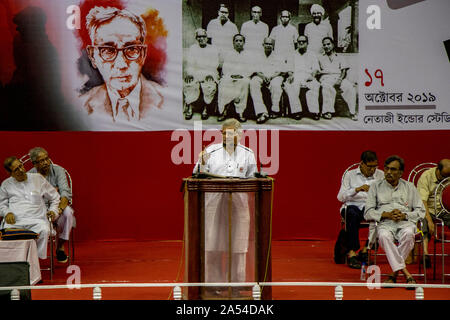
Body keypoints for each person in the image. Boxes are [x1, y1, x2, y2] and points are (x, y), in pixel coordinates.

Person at [193, 118, 257, 297]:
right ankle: (212, 285)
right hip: (213, 204)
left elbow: (254, 180)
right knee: (211, 245)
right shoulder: (210, 152)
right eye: (224, 133)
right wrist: (202, 162)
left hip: (239, 205)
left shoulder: (248, 153)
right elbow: (196, 175)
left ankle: (236, 286)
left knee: (238, 247)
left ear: (239, 135)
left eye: (231, 133)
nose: (226, 136)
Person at [81, 6, 163, 124]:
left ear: (143, 54)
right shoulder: (81, 105)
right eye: (108, 50)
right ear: (93, 56)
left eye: (132, 49)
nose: (121, 64)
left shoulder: (165, 100)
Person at [364, 155, 425, 288]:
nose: (389, 172)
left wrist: (404, 215)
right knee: (384, 236)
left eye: (393, 170)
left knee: (409, 234)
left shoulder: (409, 187)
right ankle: (406, 274)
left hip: (405, 223)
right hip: (385, 223)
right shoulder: (376, 186)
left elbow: (421, 211)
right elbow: (367, 212)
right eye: (386, 169)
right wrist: (385, 214)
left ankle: (393, 274)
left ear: (401, 172)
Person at [0, 156, 60, 260]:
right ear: (10, 173)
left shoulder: (38, 178)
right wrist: (6, 213)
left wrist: (53, 210)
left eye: (21, 166)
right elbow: (1, 204)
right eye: (16, 169)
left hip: (37, 220)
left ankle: (34, 261)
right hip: (15, 222)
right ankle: (16, 262)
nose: (22, 170)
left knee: (44, 230)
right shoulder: (6, 184)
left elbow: (55, 197)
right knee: (5, 235)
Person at [337, 151, 384, 268]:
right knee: (351, 214)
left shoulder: (381, 175)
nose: (373, 170)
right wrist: (357, 189)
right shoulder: (350, 175)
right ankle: (352, 252)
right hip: (352, 205)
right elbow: (340, 197)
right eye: (370, 166)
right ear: (362, 164)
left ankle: (365, 250)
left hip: (370, 206)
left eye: (375, 166)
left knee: (380, 216)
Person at [28, 147, 74, 263]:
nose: (45, 163)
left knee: (68, 213)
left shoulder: (58, 171)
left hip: (57, 205)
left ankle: (60, 247)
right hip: (38, 208)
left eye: (46, 159)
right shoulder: (29, 175)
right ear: (34, 163)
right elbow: (30, 197)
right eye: (41, 161)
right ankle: (33, 255)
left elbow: (65, 192)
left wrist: (59, 209)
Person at [416, 159, 450, 267]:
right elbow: (422, 201)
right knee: (424, 223)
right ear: (437, 169)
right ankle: (425, 254)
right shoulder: (426, 176)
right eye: (443, 176)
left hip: (444, 209)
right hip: (428, 208)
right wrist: (430, 220)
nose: (445, 179)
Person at [249, 37, 288, 123]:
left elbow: (282, 71)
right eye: (266, 43)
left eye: (270, 44)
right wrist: (262, 76)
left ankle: (275, 110)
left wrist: (272, 77)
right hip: (261, 76)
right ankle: (261, 111)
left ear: (273, 46)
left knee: (276, 84)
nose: (268, 45)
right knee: (253, 82)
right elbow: (254, 70)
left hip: (275, 76)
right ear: (263, 45)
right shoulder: (257, 55)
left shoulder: (278, 56)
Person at [183, 28, 220, 120]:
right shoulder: (193, 48)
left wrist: (210, 73)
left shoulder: (213, 48)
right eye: (199, 37)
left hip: (210, 72)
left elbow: (215, 63)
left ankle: (206, 108)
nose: (201, 39)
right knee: (189, 83)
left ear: (207, 38)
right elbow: (190, 63)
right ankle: (190, 107)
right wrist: (190, 73)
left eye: (203, 36)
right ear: (196, 38)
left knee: (209, 85)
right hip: (196, 72)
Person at [318, 37, 357, 121]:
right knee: (327, 87)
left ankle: (353, 112)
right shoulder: (320, 57)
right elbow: (317, 70)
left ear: (332, 45)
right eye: (324, 45)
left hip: (338, 77)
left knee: (350, 87)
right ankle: (327, 112)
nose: (326, 46)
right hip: (326, 77)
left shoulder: (339, 56)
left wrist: (340, 79)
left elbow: (344, 70)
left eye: (328, 44)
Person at [284, 35, 321, 120]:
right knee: (291, 86)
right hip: (296, 75)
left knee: (315, 85)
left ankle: (314, 112)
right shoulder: (292, 54)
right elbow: (289, 68)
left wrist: (312, 76)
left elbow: (315, 68)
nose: (301, 43)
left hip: (308, 76)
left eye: (303, 41)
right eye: (299, 42)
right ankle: (297, 111)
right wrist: (290, 75)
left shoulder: (312, 54)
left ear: (307, 43)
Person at [217, 34, 252, 123]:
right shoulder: (229, 54)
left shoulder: (248, 54)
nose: (238, 43)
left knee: (245, 82)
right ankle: (223, 110)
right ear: (233, 43)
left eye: (241, 41)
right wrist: (232, 76)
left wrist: (241, 75)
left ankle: (241, 112)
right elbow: (225, 69)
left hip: (243, 77)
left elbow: (250, 69)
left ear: (244, 43)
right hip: (230, 76)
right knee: (223, 82)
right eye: (236, 41)